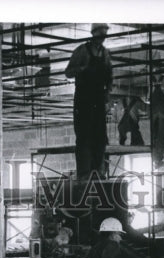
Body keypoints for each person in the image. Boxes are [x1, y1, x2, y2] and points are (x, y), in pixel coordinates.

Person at [65, 23, 113, 180]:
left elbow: (109, 77)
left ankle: (98, 173)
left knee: (100, 137)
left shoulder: (105, 54)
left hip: (98, 99)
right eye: (101, 33)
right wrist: (82, 68)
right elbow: (68, 72)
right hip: (84, 99)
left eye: (105, 34)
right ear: (94, 33)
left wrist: (107, 95)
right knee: (84, 136)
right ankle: (84, 174)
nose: (103, 37)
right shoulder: (82, 50)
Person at [149, 74, 164, 168]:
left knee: (162, 134)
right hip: (156, 111)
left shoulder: (159, 150)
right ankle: (156, 81)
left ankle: (159, 80)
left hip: (162, 113)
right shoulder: (154, 148)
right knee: (158, 134)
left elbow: (162, 138)